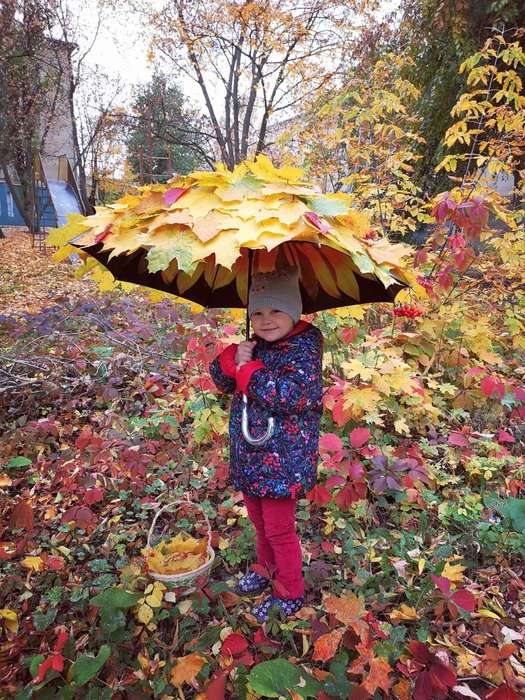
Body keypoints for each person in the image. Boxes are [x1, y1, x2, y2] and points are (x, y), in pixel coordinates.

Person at [209, 266, 323, 622]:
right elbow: (225, 384)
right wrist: (231, 361)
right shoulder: (255, 345)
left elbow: (288, 395)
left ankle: (289, 590)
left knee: (279, 529)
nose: (266, 320)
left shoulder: (304, 349)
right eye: (257, 312)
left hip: (283, 459)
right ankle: (264, 570)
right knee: (259, 523)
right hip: (251, 454)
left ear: (294, 311)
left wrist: (249, 372)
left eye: (276, 311)